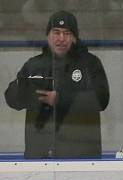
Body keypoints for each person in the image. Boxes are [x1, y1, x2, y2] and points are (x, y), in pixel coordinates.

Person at [4, 11, 109, 158]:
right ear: (48, 36)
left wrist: (59, 99)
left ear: (74, 37)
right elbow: (11, 99)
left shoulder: (90, 63)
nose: (61, 38)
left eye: (67, 33)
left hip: (81, 157)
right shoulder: (34, 64)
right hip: (40, 155)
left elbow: (101, 99)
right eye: (56, 32)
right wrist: (25, 88)